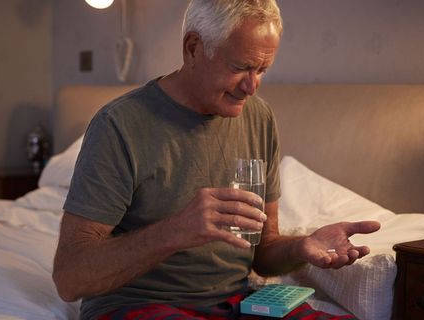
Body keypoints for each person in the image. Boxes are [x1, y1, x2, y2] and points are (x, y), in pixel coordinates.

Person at [53, 0, 381, 319]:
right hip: (138, 304)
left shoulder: (259, 118)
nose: (251, 86)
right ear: (193, 48)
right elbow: (70, 278)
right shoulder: (119, 125)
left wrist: (300, 248)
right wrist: (176, 231)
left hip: (238, 302)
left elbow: (263, 253)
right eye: (240, 68)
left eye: (262, 69)